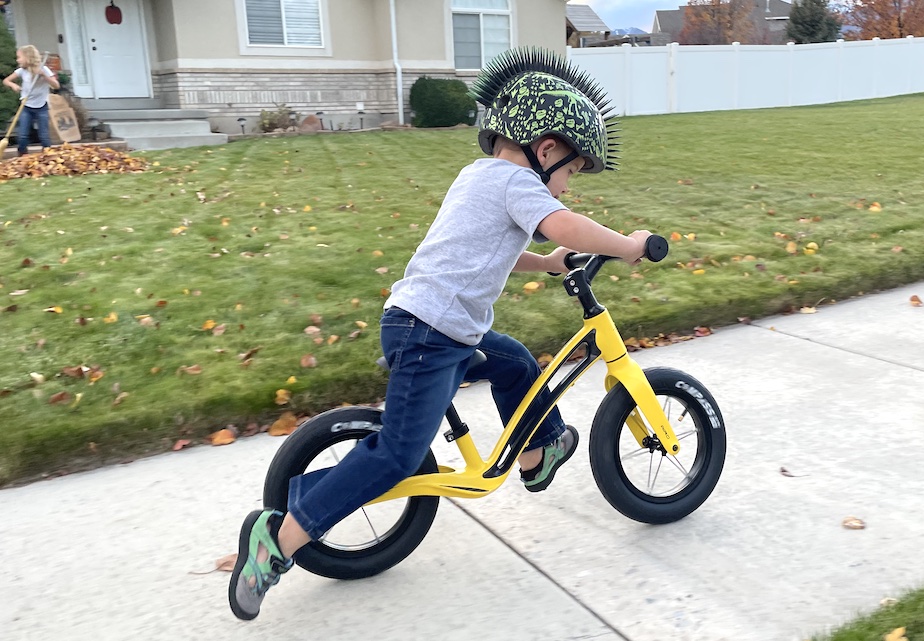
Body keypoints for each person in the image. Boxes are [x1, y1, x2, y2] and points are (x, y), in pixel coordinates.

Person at [229, 47, 652, 621]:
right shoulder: (517, 183)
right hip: (431, 336)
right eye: (573, 171)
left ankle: (533, 454)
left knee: (516, 364)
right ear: (545, 149)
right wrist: (628, 244)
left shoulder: (481, 176)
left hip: (434, 328)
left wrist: (550, 264)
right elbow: (565, 223)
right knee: (399, 454)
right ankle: (277, 542)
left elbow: (492, 248)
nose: (568, 186)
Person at [2, 45, 59, 156]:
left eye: (19, 57)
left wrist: (44, 75)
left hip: (42, 106)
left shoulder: (44, 69)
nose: (17, 60)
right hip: (26, 106)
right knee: (23, 135)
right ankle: (22, 156)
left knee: (44, 135)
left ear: (28, 57)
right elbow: (6, 80)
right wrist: (13, 85)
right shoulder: (22, 71)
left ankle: (48, 156)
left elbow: (56, 85)